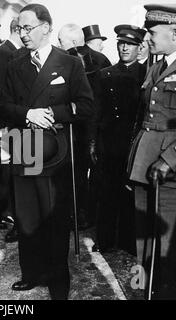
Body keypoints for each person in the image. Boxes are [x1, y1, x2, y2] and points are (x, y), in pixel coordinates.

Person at [1, 3, 94, 299]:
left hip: (56, 155)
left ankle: (58, 281)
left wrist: (52, 112)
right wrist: (28, 113)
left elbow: (87, 106)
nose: (22, 33)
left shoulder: (69, 63)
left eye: (28, 27)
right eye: (19, 28)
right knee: (27, 216)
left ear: (46, 28)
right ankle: (31, 272)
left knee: (54, 219)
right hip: (25, 149)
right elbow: (3, 105)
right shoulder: (14, 65)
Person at [128, 3, 176, 298]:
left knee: (171, 248)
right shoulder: (158, 65)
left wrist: (170, 160)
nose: (147, 37)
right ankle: (147, 292)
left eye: (152, 31)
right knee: (144, 243)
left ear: (175, 32)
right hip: (145, 166)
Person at [92, 24, 147, 255]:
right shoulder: (105, 74)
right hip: (108, 143)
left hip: (133, 143)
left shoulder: (147, 74)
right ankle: (104, 240)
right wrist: (93, 142)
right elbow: (96, 111)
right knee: (106, 192)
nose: (124, 48)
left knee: (130, 193)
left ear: (139, 47)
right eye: (121, 43)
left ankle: (127, 240)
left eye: (130, 44)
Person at [58, 23, 112, 230]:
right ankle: (82, 213)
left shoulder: (75, 61)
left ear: (72, 42)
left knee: (78, 173)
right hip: (91, 127)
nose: (58, 44)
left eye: (61, 41)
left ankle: (80, 213)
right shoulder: (101, 59)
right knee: (81, 173)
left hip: (81, 127)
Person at [0, 17, 26, 244]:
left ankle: (12, 215)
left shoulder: (12, 51)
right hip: (8, 123)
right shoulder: (5, 53)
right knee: (10, 173)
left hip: (13, 122)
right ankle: (10, 215)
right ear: (17, 30)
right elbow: (0, 91)